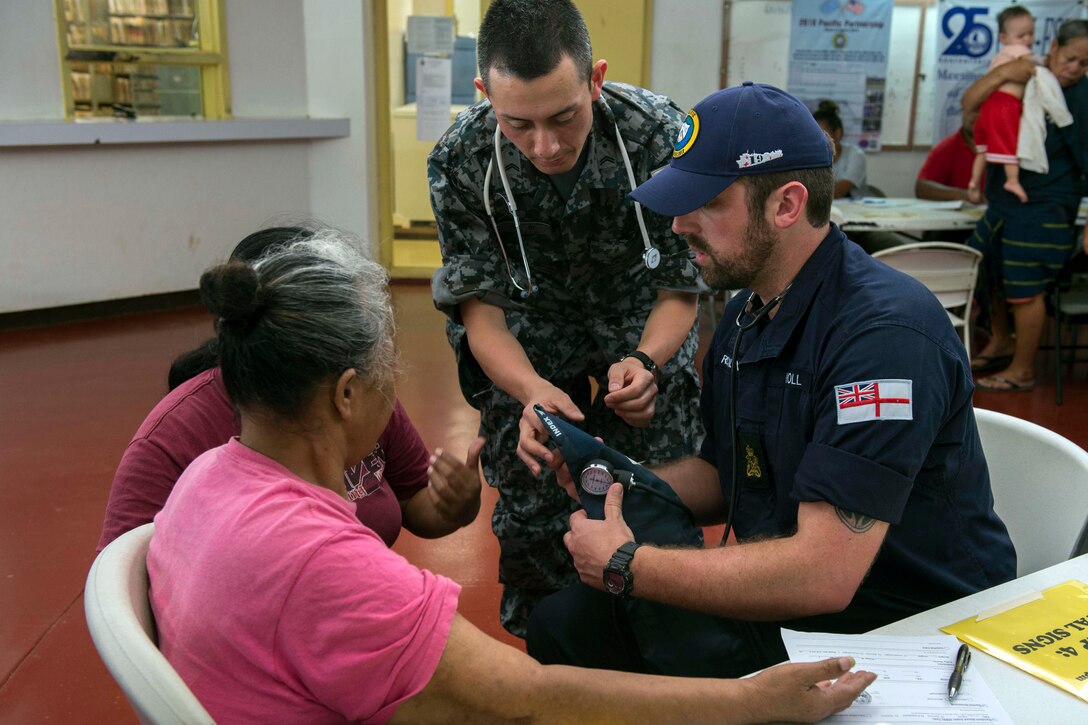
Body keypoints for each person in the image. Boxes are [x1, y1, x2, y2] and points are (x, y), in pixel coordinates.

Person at [146, 232, 876, 723]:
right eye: (386, 368)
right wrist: (751, 702)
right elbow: (528, 699)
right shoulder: (317, 560)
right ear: (344, 392)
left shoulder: (209, 477)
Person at [526, 82, 1016, 678]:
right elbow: (727, 473)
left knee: (628, 641)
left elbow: (824, 574)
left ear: (785, 205)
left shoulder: (883, 338)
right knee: (565, 623)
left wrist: (629, 563)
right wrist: (614, 478)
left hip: (902, 625)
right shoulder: (748, 313)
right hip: (798, 602)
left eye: (706, 202)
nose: (679, 224)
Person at [429, 0, 703, 636]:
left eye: (564, 116)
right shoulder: (461, 159)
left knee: (653, 492)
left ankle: (666, 648)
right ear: (483, 94)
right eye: (518, 124)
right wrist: (531, 393)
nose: (545, 145)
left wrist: (646, 363)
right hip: (527, 330)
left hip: (638, 321)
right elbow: (482, 316)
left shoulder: (661, 135)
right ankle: (550, 657)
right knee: (531, 493)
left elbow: (681, 287)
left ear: (596, 78)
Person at [98, 226, 483, 552]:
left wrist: (455, 506)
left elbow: (413, 498)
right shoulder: (176, 438)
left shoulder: (361, 391)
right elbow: (125, 576)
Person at [963, 18, 1088, 391]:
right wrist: (1009, 72)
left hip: (1046, 205)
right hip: (1004, 200)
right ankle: (1000, 340)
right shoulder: (1025, 71)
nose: (1075, 69)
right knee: (985, 269)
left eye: (1084, 64)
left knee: (1025, 284)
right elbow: (970, 102)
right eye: (1070, 59)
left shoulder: (1082, 97)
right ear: (1052, 47)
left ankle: (1022, 370)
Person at [967, 5, 1038, 204]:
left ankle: (973, 181)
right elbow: (1034, 64)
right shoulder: (1018, 51)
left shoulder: (1002, 55)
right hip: (1005, 105)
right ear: (1003, 38)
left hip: (990, 105)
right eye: (1021, 35)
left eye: (1031, 34)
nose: (1027, 40)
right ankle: (1012, 180)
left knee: (984, 149)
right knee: (1009, 144)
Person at [915, 110, 980, 202]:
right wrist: (965, 195)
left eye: (981, 109)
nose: (975, 115)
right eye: (970, 109)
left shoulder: (1003, 145)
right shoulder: (947, 147)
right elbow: (922, 188)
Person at [812, 99, 868, 199]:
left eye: (821, 134)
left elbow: (838, 192)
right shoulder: (813, 157)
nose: (816, 140)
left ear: (837, 133)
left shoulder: (856, 155)